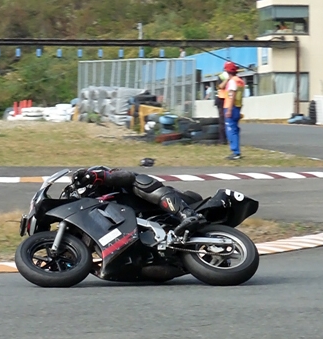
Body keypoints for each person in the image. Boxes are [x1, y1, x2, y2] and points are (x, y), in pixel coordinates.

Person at [71, 166, 204, 237]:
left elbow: (126, 176)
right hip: (151, 233)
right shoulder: (96, 210)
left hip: (181, 203)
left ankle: (186, 214)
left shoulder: (118, 182)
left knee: (140, 181)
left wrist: (96, 176)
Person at [222, 61, 246, 160]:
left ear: (227, 71)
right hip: (238, 107)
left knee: (231, 130)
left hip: (230, 107)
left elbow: (232, 95)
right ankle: (237, 152)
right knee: (235, 129)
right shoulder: (240, 81)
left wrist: (229, 110)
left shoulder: (232, 81)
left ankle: (235, 152)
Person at [215, 70, 229, 145]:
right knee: (222, 121)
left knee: (228, 120)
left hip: (228, 99)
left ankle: (227, 138)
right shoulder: (222, 76)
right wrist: (227, 79)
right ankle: (222, 140)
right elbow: (220, 86)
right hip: (221, 100)